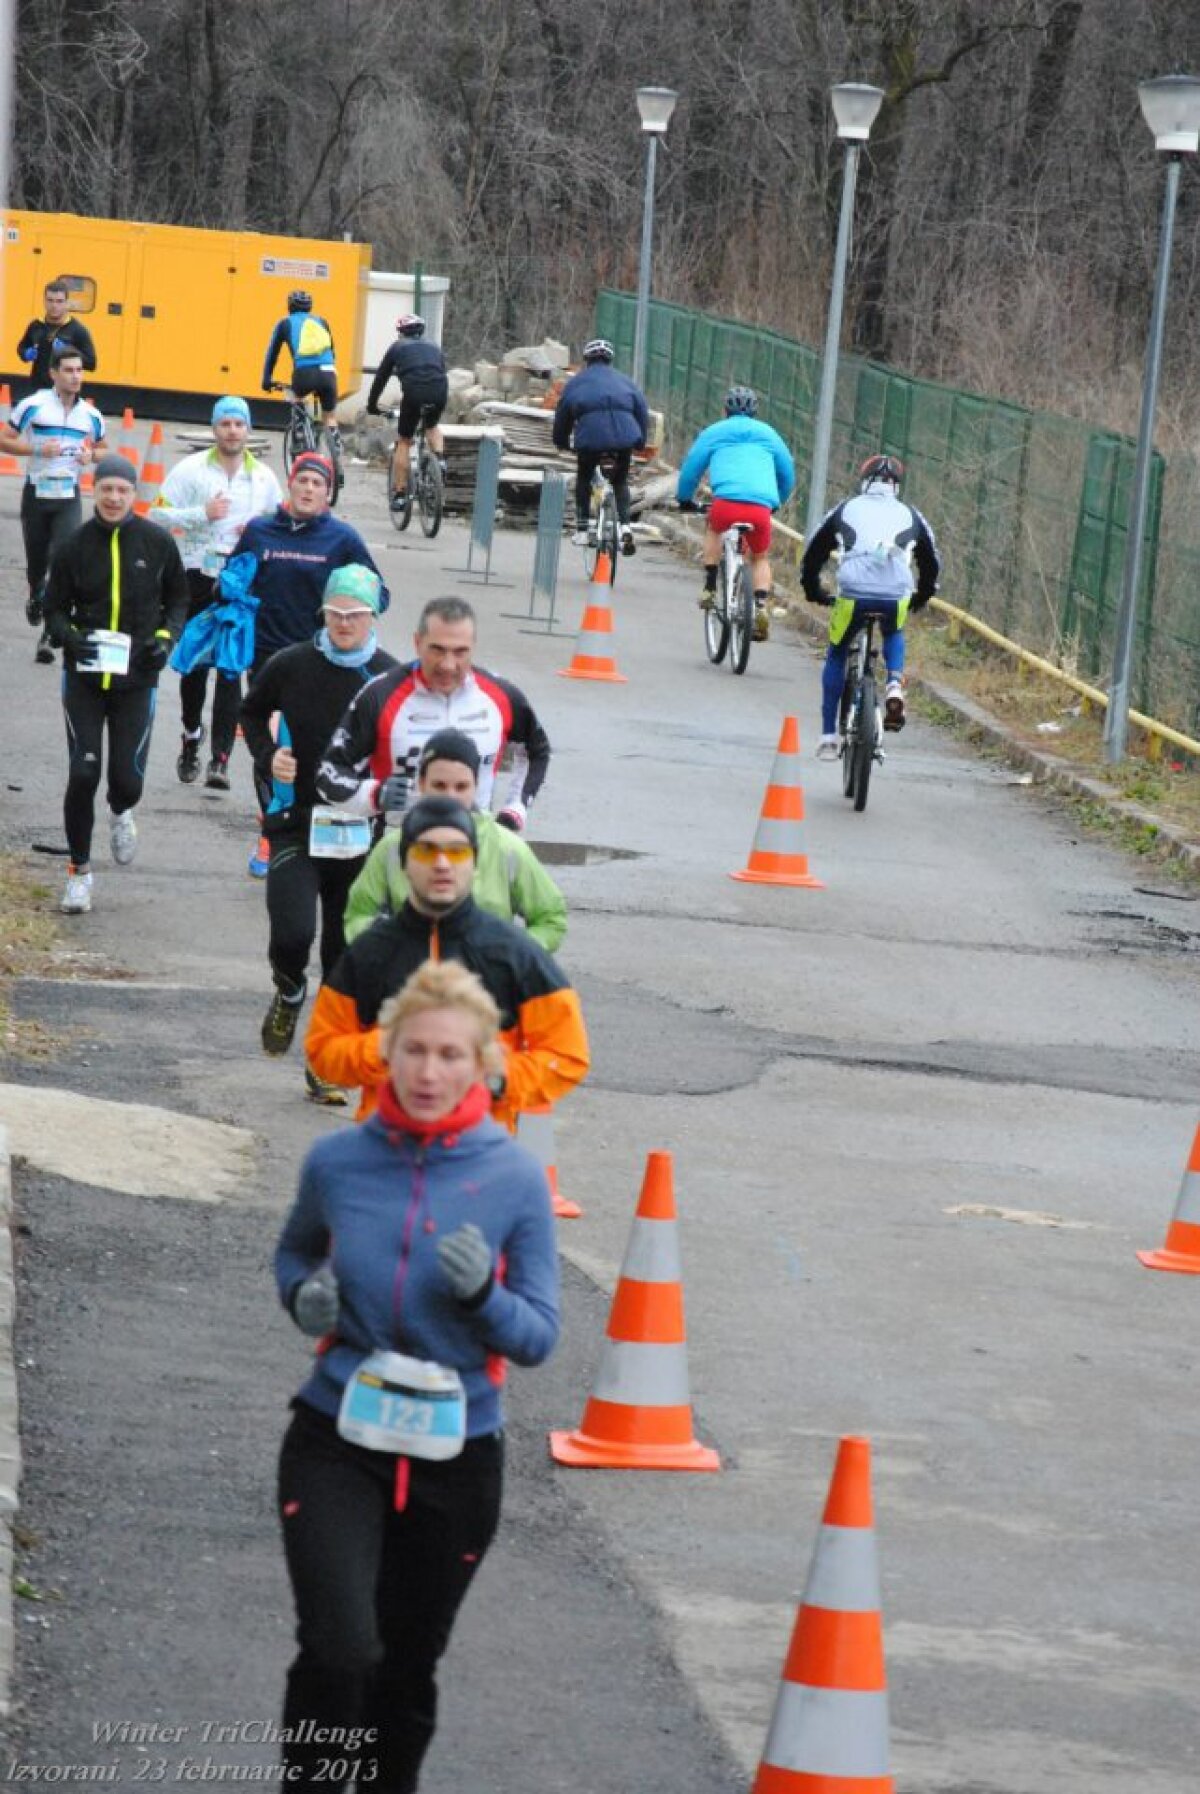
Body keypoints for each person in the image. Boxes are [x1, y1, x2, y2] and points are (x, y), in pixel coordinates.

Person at [275, 958, 559, 1793]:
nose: (430, 1072)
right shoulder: (337, 1162)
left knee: (405, 1665)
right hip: (336, 1438)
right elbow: (295, 1253)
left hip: (458, 1454)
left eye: (451, 1056)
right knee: (339, 1646)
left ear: (483, 1067)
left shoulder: (512, 1179)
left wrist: (484, 1299)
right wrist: (306, 1298)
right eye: (414, 1052)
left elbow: (540, 1334)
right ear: (387, 1053)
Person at [305, 797, 589, 1125]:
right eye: (426, 851)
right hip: (386, 1155)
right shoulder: (371, 953)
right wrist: (387, 1049)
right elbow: (322, 1050)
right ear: (404, 862)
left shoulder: (515, 954)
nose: (442, 863)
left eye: (457, 852)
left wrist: (493, 1078)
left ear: (474, 862)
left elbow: (568, 1055)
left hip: (483, 1157)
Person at [240, 565, 398, 1106]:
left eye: (355, 615)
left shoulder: (389, 679)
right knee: (292, 935)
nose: (345, 624)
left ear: (373, 616)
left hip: (360, 838)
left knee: (344, 954)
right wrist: (269, 756)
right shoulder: (291, 664)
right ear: (323, 613)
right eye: (336, 613)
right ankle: (288, 988)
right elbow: (252, 709)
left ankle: (325, 1062)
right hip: (295, 826)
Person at [229, 451, 390, 876]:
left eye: (318, 484)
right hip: (268, 661)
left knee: (318, 751)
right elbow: (233, 577)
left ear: (328, 492)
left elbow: (380, 593)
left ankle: (333, 837)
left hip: (320, 661)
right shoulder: (261, 531)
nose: (309, 489)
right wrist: (231, 597)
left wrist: (356, 609)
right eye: (303, 481)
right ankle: (270, 835)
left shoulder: (342, 539)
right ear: (291, 485)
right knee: (275, 751)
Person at [42, 456, 189, 916]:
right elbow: (53, 609)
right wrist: (70, 638)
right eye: (105, 489)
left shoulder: (158, 542)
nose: (112, 498)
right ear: (94, 490)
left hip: (136, 680)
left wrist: (164, 642)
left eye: (121, 491)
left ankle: (121, 812)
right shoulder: (73, 545)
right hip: (84, 679)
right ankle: (79, 874)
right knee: (84, 772)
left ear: (132, 495)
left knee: (126, 781)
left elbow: (179, 599)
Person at [316, 597, 550, 833]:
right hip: (400, 849)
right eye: (437, 650)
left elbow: (537, 751)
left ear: (473, 647)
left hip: (476, 850)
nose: (448, 665)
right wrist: (375, 795)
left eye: (460, 652)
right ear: (417, 643)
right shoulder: (381, 694)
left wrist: (514, 810)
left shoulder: (501, 695)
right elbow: (329, 772)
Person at [150, 395, 282, 790]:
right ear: (214, 428)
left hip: (239, 584)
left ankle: (220, 760)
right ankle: (192, 735)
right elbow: (157, 513)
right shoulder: (191, 470)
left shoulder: (263, 479)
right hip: (196, 578)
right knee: (194, 667)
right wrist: (200, 515)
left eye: (239, 424)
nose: (232, 431)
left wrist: (256, 534)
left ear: (248, 430)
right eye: (225, 424)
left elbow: (278, 524)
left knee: (230, 670)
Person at [343, 728, 567, 951]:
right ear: (421, 785)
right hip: (410, 981)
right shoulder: (391, 848)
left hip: (484, 982)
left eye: (461, 787)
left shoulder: (507, 848)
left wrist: (512, 956)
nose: (450, 796)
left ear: (476, 787)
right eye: (439, 785)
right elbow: (358, 914)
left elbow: (550, 918)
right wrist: (387, 949)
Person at [801, 453, 941, 759]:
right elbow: (931, 562)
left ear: (865, 482)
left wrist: (813, 589)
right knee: (893, 631)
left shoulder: (846, 508)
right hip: (895, 593)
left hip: (853, 592)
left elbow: (813, 553)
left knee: (837, 652)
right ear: (896, 487)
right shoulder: (911, 514)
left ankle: (828, 735)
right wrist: (922, 595)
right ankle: (893, 683)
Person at [1, 345, 105, 665]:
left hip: (68, 497)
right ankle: (36, 593)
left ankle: (49, 631)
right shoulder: (33, 405)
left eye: (80, 371)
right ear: (53, 374)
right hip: (37, 494)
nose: (76, 377)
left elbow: (104, 450)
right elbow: (5, 439)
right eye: (69, 371)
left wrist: (91, 456)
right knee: (37, 563)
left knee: (62, 557)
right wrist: (34, 449)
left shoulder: (90, 415)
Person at [676, 385, 795, 643]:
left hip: (725, 504)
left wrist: (685, 498)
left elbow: (691, 469)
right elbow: (787, 474)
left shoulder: (715, 432)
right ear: (755, 412)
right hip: (761, 507)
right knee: (760, 557)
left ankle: (709, 587)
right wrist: (776, 502)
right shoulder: (770, 434)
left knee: (714, 528)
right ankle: (761, 605)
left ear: (725, 410)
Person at [552, 338, 648, 557]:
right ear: (610, 359)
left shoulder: (576, 383)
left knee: (584, 476)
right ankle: (625, 527)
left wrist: (561, 441)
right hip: (625, 437)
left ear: (587, 360)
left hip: (590, 439)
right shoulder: (626, 381)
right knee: (620, 480)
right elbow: (641, 410)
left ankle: (583, 529)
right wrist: (640, 441)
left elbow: (563, 415)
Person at [365, 313, 450, 506]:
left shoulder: (397, 348)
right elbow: (441, 371)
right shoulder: (435, 347)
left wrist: (372, 405)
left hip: (414, 394)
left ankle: (400, 494)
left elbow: (381, 379)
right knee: (432, 426)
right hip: (439, 391)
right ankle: (440, 460)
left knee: (404, 441)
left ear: (401, 332)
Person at [261, 290, 341, 447]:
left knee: (297, 399)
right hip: (328, 372)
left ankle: (298, 434)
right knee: (330, 416)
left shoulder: (285, 323)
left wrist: (266, 379)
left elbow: (272, 353)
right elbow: (332, 351)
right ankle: (336, 452)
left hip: (304, 373)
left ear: (289, 306)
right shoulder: (322, 321)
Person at [15, 278, 98, 391]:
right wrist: (26, 353)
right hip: (37, 390)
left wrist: (69, 352)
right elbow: (21, 347)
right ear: (44, 301)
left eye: (59, 301)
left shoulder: (77, 330)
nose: (54, 305)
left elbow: (91, 363)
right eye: (50, 300)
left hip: (64, 393)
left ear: (67, 303)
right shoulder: (36, 325)